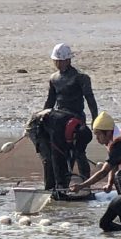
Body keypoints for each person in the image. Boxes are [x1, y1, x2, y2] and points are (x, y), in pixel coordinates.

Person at [40, 42, 98, 193]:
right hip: (59, 122)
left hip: (77, 120)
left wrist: (95, 120)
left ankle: (86, 185)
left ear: (68, 60)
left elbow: (90, 100)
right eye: (56, 61)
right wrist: (42, 117)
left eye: (60, 60)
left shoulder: (81, 78)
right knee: (59, 153)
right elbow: (50, 102)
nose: (57, 63)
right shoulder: (53, 78)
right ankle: (62, 185)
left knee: (79, 152)